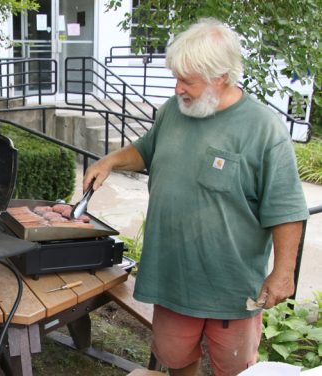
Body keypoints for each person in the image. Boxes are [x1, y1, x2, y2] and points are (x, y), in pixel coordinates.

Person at [83, 18, 309, 376]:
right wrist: (111, 161)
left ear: (221, 76)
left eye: (187, 80)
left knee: (232, 370)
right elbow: (147, 149)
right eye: (176, 77)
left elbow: (286, 210)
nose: (177, 88)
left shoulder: (264, 130)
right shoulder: (173, 111)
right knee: (177, 362)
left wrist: (283, 274)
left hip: (231, 290)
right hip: (173, 278)